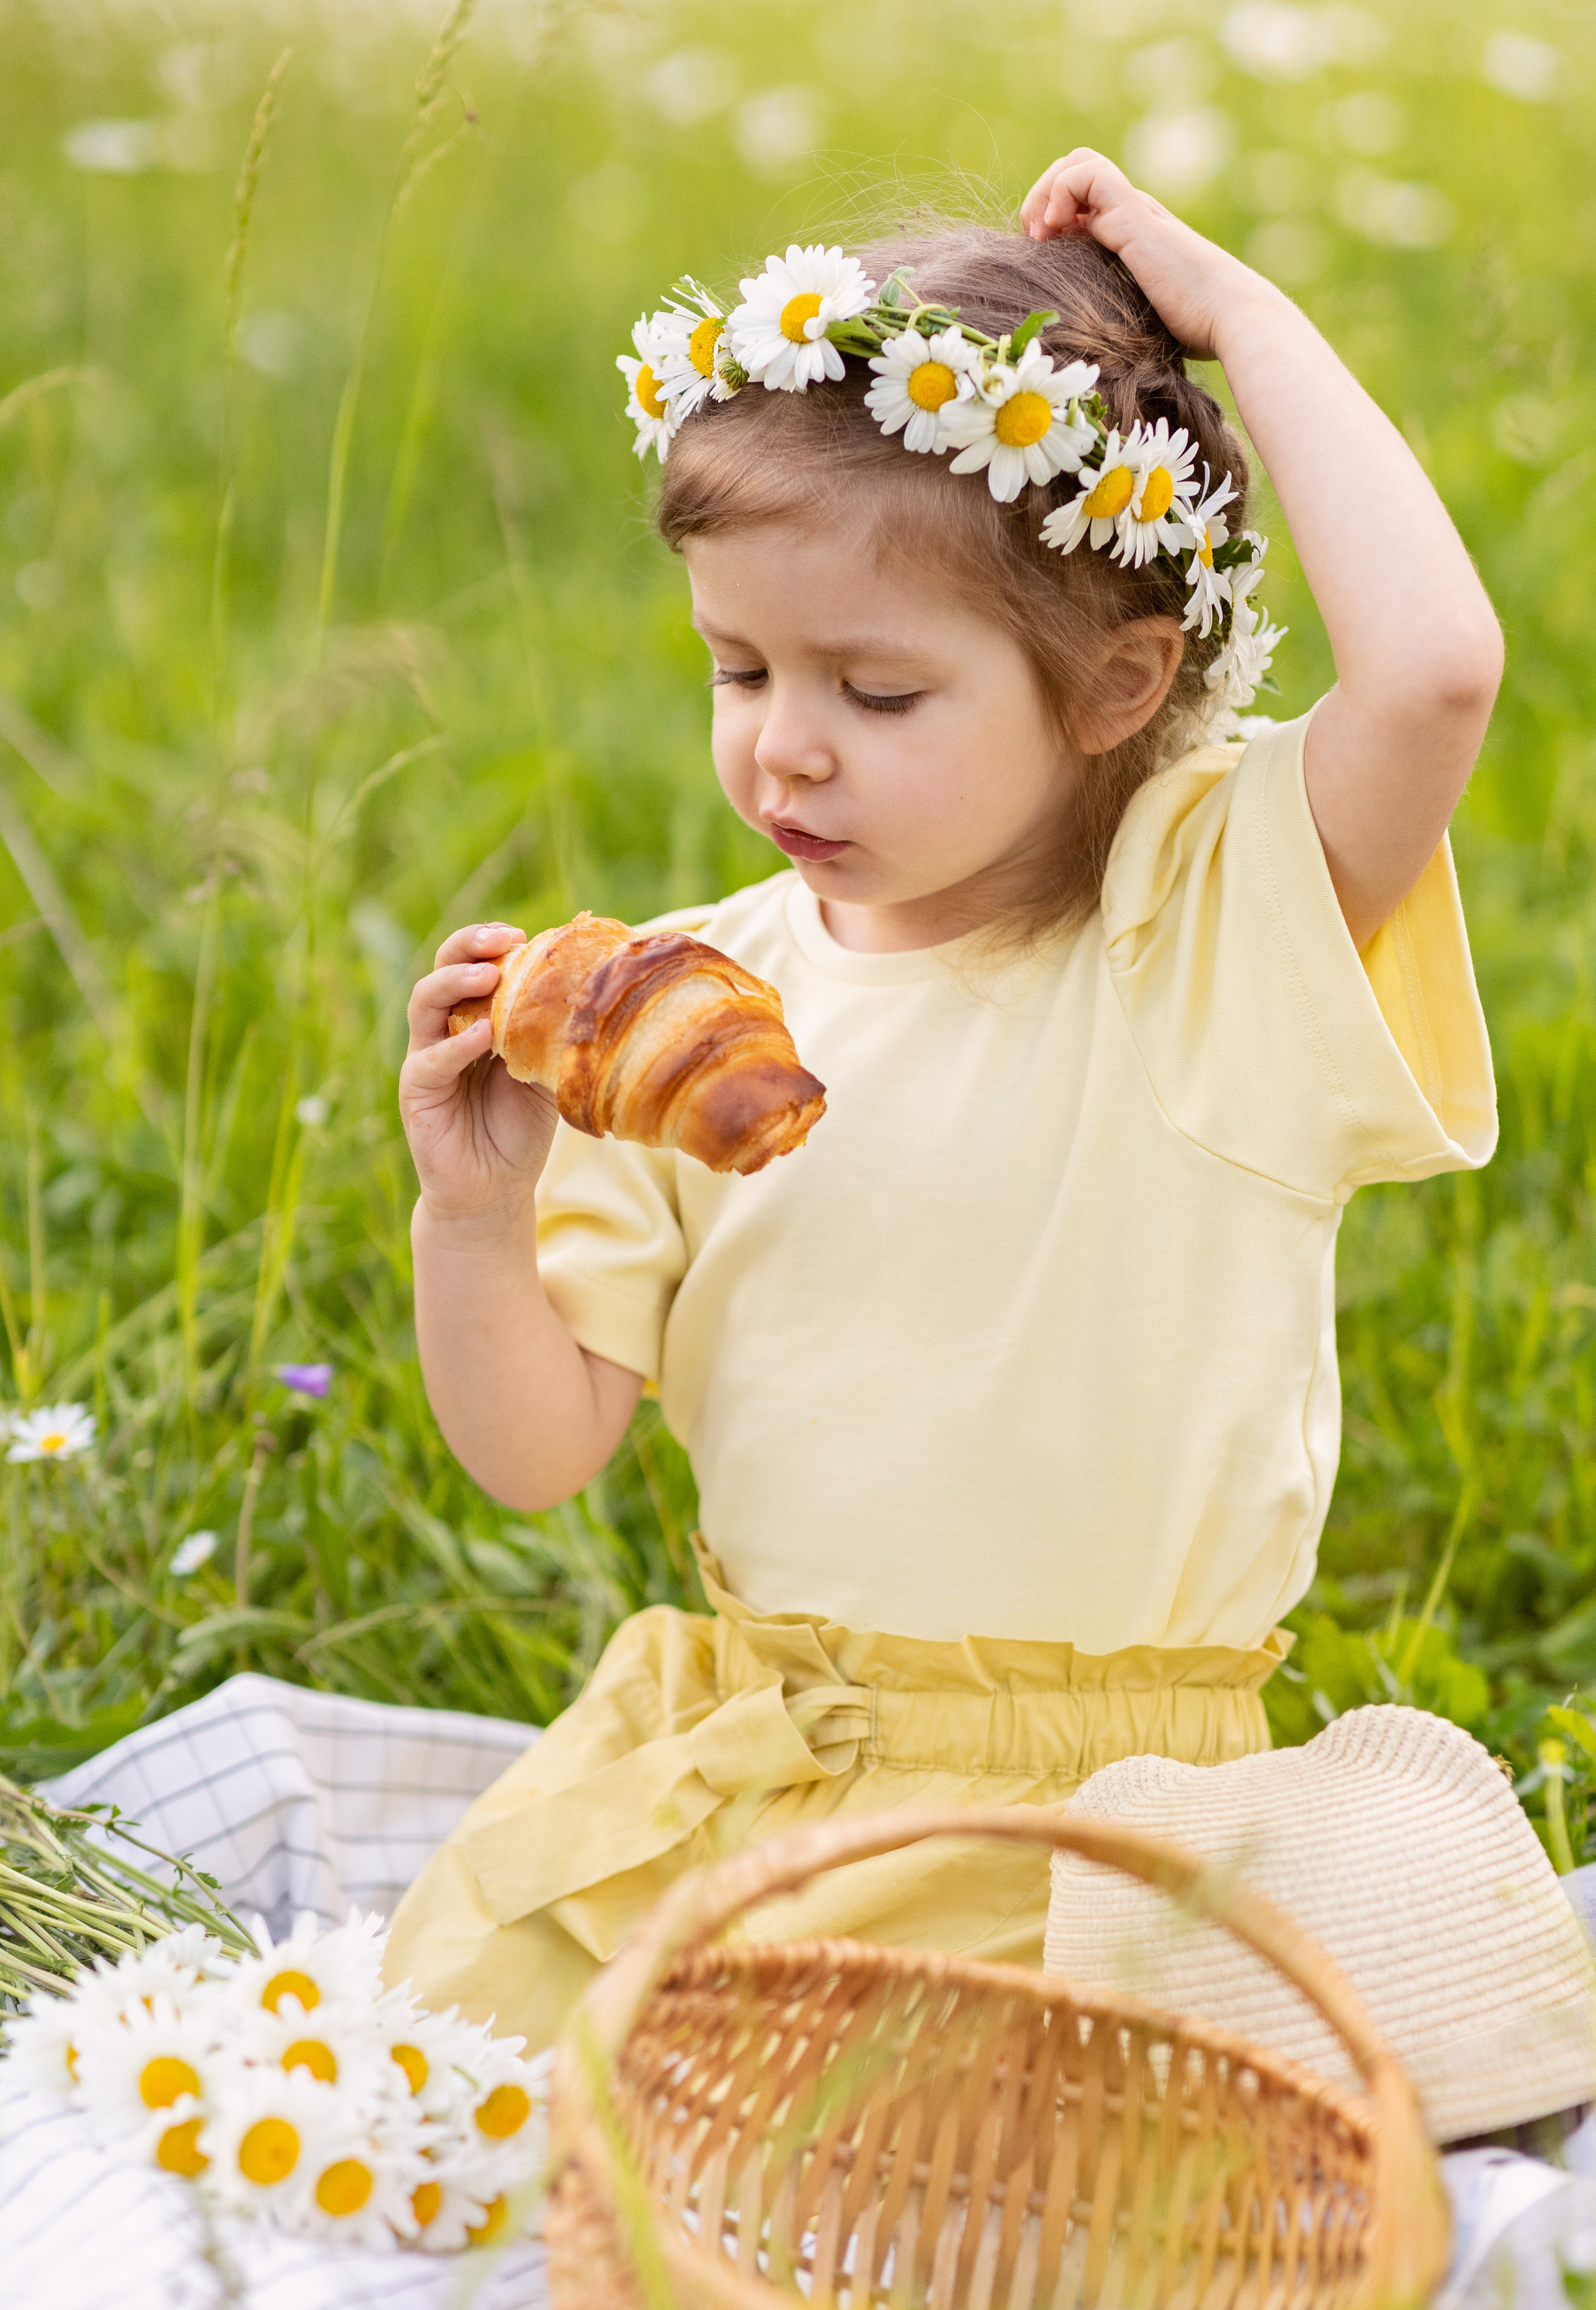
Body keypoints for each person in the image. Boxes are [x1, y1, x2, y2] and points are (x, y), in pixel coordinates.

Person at [383, 149, 1501, 2046]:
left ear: (1115, 688)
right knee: (500, 2082)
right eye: (738, 667)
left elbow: (1439, 674)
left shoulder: (1212, 934)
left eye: (878, 694)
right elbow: (538, 1452)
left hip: (1097, 1820)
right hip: (775, 1766)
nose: (784, 747)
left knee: (963, 2137)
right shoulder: (693, 1008)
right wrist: (474, 1218)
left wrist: (1239, 320)